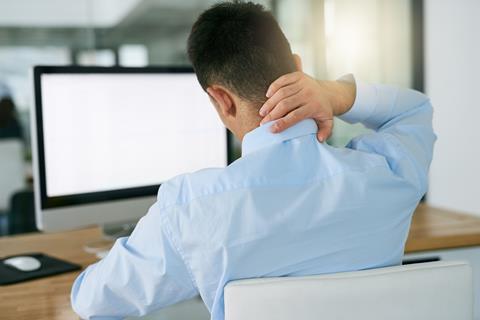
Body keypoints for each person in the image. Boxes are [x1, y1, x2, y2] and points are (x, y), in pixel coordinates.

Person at [71, 2, 436, 320]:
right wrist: (333, 92)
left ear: (221, 99)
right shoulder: (387, 175)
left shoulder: (191, 209)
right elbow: (413, 110)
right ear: (297, 67)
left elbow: (92, 301)